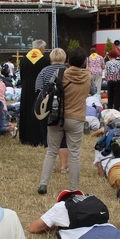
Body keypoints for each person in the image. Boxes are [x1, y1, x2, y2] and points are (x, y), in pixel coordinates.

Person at [38, 47, 92, 194]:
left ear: (68, 60)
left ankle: (43, 184)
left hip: (57, 116)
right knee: (74, 153)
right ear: (84, 62)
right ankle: (73, 188)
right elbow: (92, 91)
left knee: (51, 151)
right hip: (76, 118)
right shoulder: (88, 77)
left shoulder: (60, 73)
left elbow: (49, 87)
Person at [35, 48, 69, 172]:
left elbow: (38, 89)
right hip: (64, 107)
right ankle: (64, 166)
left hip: (47, 108)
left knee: (47, 137)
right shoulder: (67, 71)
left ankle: (51, 165)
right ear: (64, 58)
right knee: (63, 137)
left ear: (51, 58)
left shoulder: (44, 71)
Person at [18, 39, 50, 146]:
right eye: (44, 48)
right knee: (38, 112)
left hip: (26, 90)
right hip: (39, 91)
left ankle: (25, 137)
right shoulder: (45, 61)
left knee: (26, 111)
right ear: (41, 48)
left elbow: (22, 77)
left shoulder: (23, 60)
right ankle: (38, 138)